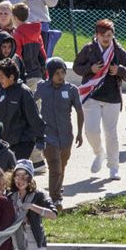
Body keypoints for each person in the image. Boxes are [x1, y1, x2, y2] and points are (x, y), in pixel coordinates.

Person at [73, 19, 126, 180]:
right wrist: (89, 69)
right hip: (91, 95)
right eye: (102, 35)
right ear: (97, 35)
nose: (106, 38)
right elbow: (76, 67)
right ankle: (99, 153)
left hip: (112, 96)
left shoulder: (118, 51)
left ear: (113, 35)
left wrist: (119, 70)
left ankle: (113, 167)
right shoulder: (89, 49)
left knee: (111, 133)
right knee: (91, 130)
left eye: (109, 35)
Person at [34, 57, 84, 208]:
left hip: (66, 135)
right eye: (57, 73)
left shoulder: (71, 90)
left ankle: (56, 190)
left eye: (63, 72)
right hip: (48, 135)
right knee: (55, 166)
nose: (61, 76)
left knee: (62, 165)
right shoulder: (42, 87)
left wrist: (80, 133)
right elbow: (31, 102)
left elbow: (80, 111)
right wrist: (36, 121)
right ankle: (55, 198)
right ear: (50, 74)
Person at [0, 58, 45, 160]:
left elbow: (34, 117)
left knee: (17, 172)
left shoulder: (24, 92)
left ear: (12, 77)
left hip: (23, 142)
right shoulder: (0, 93)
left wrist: (40, 138)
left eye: (2, 77)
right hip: (6, 142)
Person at [12, 2, 47, 90]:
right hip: (38, 75)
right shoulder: (37, 34)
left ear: (15, 17)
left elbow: (17, 57)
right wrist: (45, 73)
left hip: (25, 77)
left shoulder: (17, 35)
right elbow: (43, 55)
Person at [0, 32, 24, 110]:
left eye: (9, 47)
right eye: (4, 47)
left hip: (15, 103)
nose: (7, 50)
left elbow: (22, 78)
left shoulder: (16, 59)